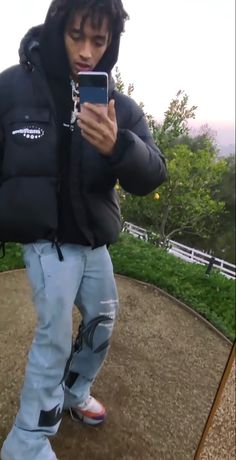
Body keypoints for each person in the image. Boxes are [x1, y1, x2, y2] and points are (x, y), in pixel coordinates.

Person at [0, 0, 167, 459]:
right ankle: (26, 444)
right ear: (58, 29)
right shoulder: (13, 88)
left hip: (92, 241)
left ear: (112, 42)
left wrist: (119, 147)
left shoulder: (119, 106)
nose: (87, 52)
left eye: (100, 40)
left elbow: (153, 173)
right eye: (78, 36)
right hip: (44, 240)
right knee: (53, 336)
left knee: (103, 320)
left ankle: (75, 392)